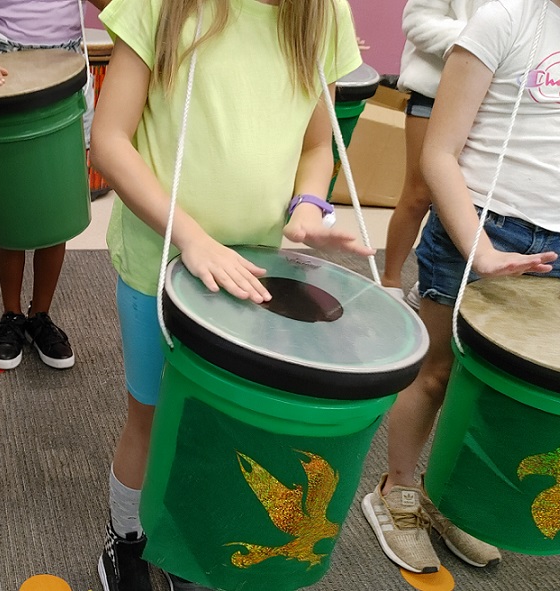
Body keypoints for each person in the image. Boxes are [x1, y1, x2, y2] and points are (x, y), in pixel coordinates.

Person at [89, 0, 370, 588]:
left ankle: (188, 527)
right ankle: (128, 538)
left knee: (221, 418)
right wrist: (192, 238)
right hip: (160, 265)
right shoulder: (161, 7)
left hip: (256, 273)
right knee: (152, 413)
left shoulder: (320, 12)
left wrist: (308, 206)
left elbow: (319, 144)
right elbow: (110, 141)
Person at [362, 0, 560, 575]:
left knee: (489, 385)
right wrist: (478, 247)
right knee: (436, 372)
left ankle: (447, 495)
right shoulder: (503, 20)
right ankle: (398, 493)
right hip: (479, 222)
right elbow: (439, 152)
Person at [0, 0, 109, 371]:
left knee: (55, 205)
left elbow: (118, 12)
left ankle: (40, 315)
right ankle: (11, 316)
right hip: (3, 71)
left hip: (65, 70)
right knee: (9, 204)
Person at [381, 0, 492, 308]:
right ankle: (389, 281)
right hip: (434, 89)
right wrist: (487, 40)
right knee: (418, 193)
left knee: (465, 199)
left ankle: (430, 283)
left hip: (493, 101)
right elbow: (418, 21)